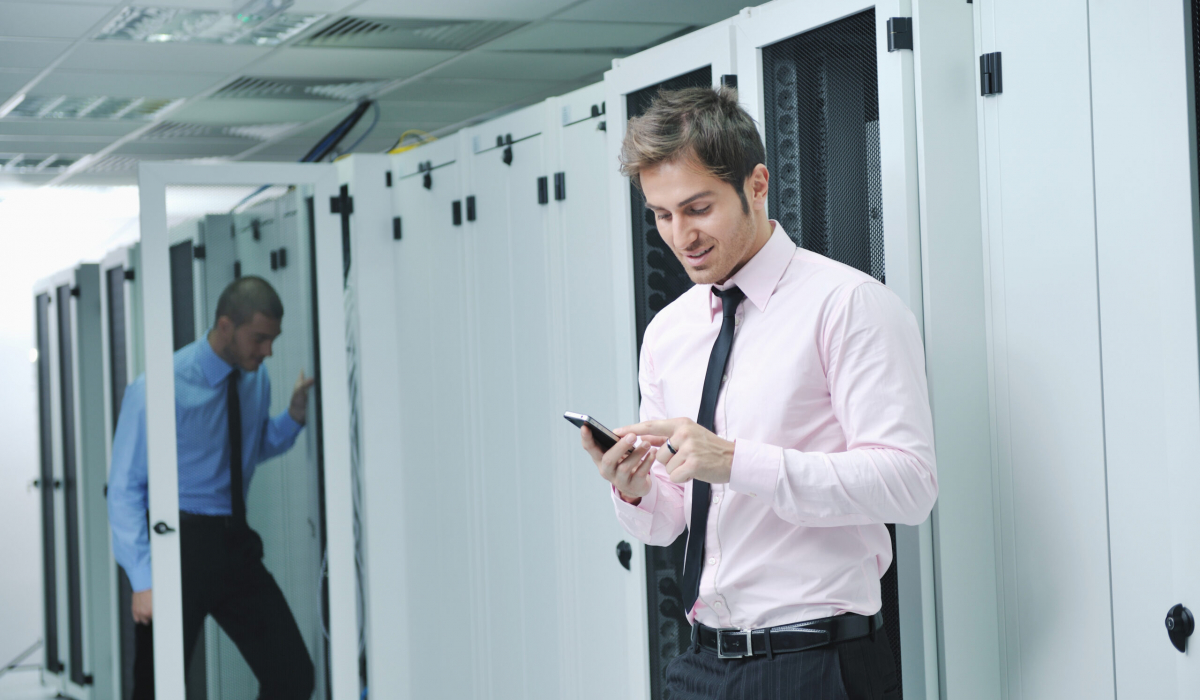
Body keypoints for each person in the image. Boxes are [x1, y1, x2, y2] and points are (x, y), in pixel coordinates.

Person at [580, 87, 937, 699]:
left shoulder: (847, 306)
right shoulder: (669, 332)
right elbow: (669, 523)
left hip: (817, 662)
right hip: (700, 664)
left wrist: (737, 461)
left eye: (697, 208)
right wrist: (636, 491)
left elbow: (909, 485)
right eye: (661, 215)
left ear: (757, 184)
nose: (680, 236)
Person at [108, 276, 317, 700]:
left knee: (293, 676)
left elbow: (250, 448)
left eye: (273, 340)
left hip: (233, 542)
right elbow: (124, 488)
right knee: (156, 689)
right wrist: (143, 579)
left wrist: (293, 416)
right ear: (226, 326)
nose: (268, 351)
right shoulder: (158, 388)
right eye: (259, 339)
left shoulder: (255, 380)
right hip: (175, 548)